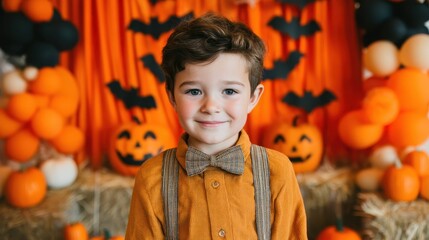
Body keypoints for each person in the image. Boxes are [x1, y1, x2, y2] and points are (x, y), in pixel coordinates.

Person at [125, 13, 307, 240]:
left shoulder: (277, 172)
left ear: (253, 97)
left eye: (229, 91)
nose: (211, 106)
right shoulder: (152, 178)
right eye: (194, 91)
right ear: (172, 97)